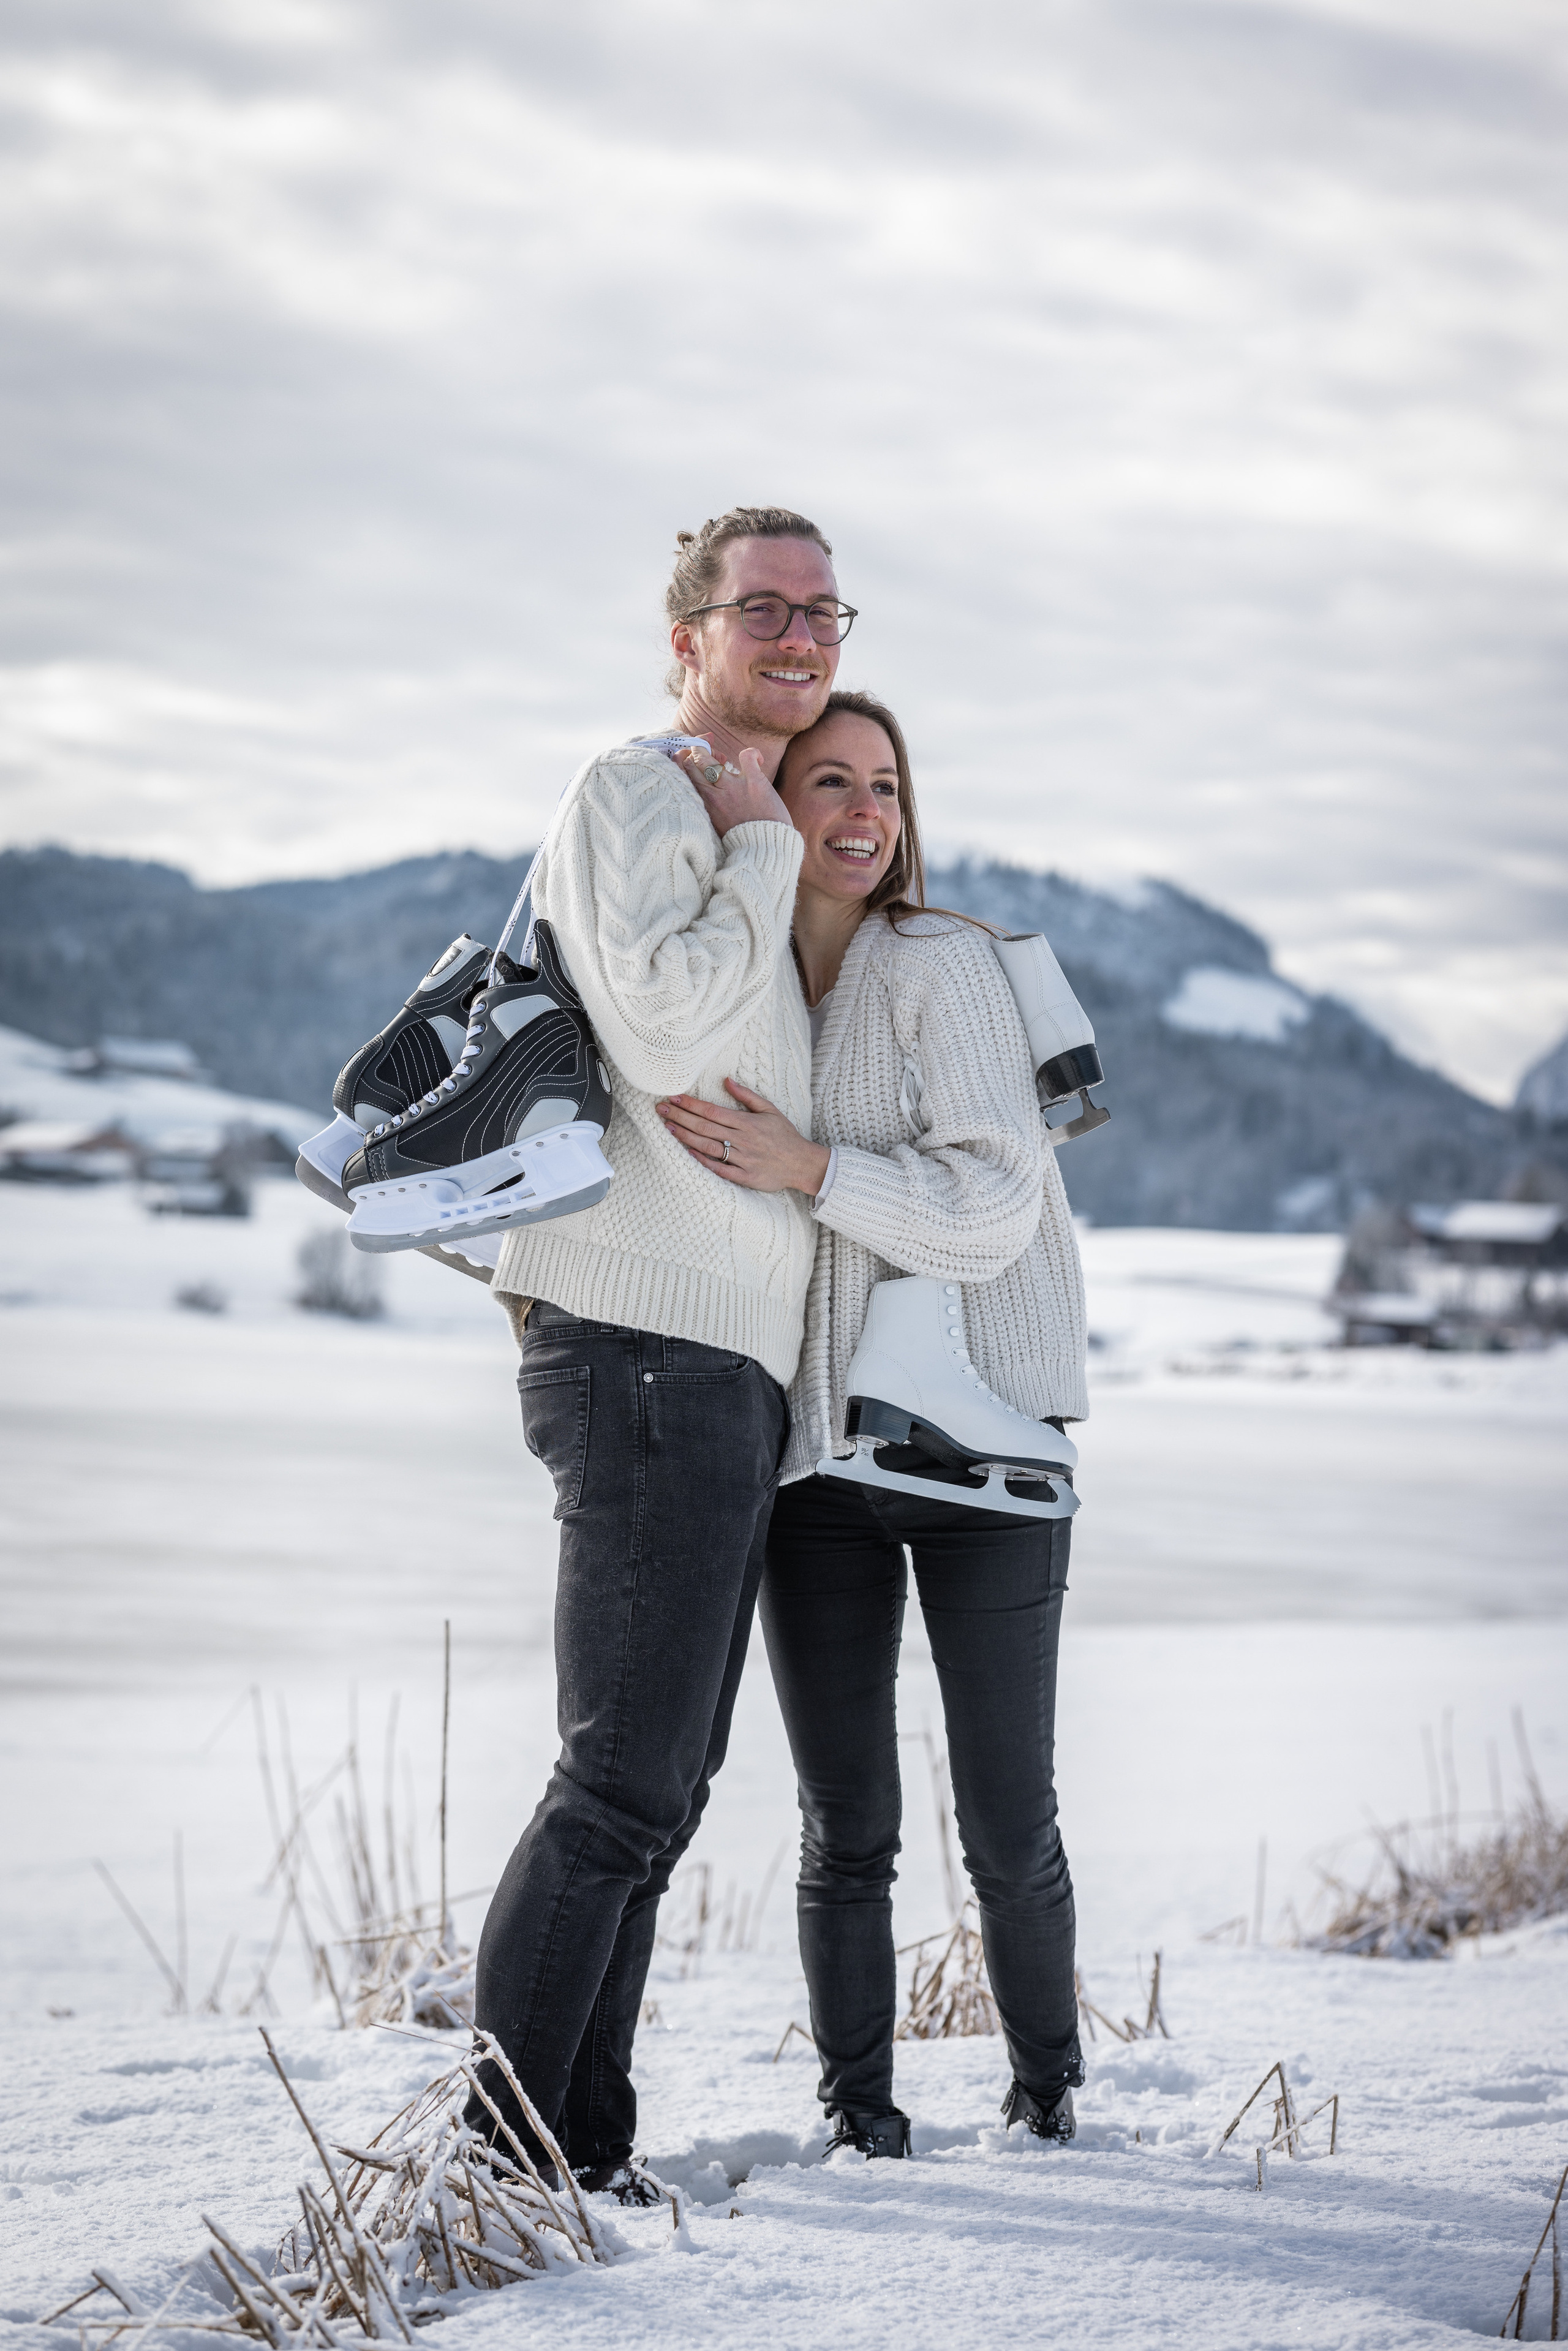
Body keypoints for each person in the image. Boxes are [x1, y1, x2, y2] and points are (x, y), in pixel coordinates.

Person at [467, 507, 859, 2196]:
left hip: (707, 1361)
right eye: (762, 603)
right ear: (688, 632)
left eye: (824, 606)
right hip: (640, 1342)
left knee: (660, 1788)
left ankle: (578, 2149)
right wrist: (764, 844)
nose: (800, 631)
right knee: (619, 1781)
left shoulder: (738, 805)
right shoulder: (645, 789)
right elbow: (668, 1027)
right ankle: (498, 2168)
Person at [655, 689, 1090, 2158]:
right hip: (815, 1457)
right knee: (846, 1824)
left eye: (884, 786)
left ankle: (1047, 2102)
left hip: (979, 1437)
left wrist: (810, 1163)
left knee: (1004, 1816)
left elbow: (993, 1197)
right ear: (775, 802)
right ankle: (860, 2120)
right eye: (825, 779)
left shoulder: (939, 961)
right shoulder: (755, 980)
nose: (859, 810)